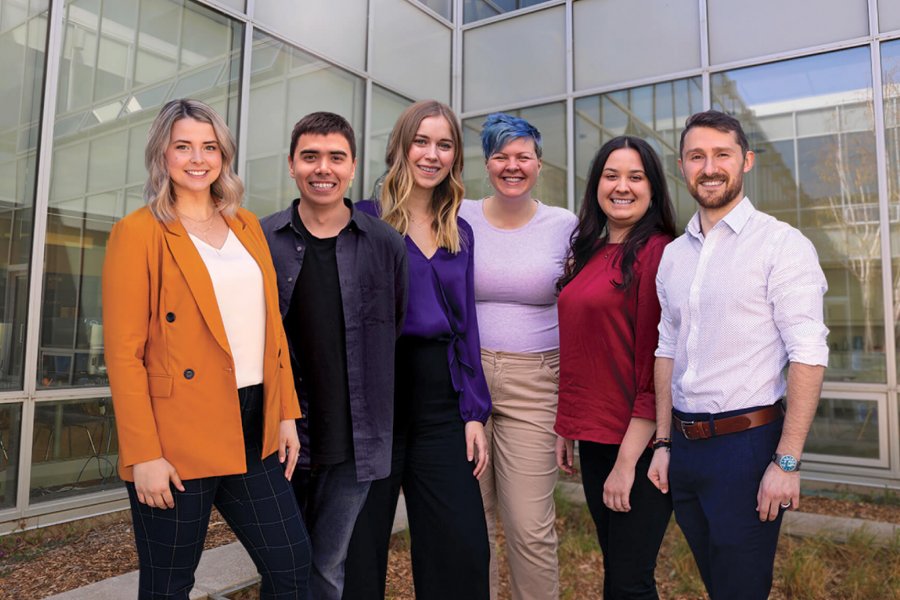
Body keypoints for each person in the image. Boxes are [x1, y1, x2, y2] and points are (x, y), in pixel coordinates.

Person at [102, 98, 311, 599]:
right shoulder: (138, 233)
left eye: (209, 147)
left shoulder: (247, 226)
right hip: (175, 437)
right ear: (162, 155)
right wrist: (144, 454)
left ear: (223, 155)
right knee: (170, 584)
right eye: (183, 147)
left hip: (253, 425)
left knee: (294, 567)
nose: (198, 159)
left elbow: (272, 330)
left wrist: (284, 414)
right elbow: (124, 354)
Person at [647, 110, 829, 599]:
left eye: (722, 154)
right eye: (696, 156)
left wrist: (786, 461)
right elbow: (667, 349)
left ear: (745, 160)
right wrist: (663, 444)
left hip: (748, 449)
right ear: (682, 166)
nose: (710, 167)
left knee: (741, 589)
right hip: (685, 448)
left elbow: (808, 354)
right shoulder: (674, 256)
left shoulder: (781, 245)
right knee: (715, 582)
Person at [343, 99, 491, 600]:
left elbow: (467, 326)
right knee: (359, 550)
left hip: (440, 405)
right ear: (401, 148)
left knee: (463, 548)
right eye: (421, 142)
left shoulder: (461, 231)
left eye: (444, 144)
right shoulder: (360, 222)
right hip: (373, 403)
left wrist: (474, 413)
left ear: (455, 156)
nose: (432, 154)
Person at [259, 111, 407, 600]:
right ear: (291, 164)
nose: (323, 168)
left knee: (327, 568)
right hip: (277, 435)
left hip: (353, 441)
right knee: (281, 568)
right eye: (310, 157)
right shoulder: (261, 240)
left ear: (352, 166)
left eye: (335, 157)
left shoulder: (384, 243)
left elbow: (397, 325)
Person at [457, 113, 576, 600]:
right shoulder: (459, 215)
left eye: (522, 156)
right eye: (501, 156)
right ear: (487, 164)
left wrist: (571, 407)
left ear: (538, 164)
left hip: (536, 382)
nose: (512, 165)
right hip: (466, 380)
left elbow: (578, 308)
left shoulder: (563, 225)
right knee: (471, 522)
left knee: (529, 527)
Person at [555, 136, 676, 599]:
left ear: (652, 188)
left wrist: (628, 462)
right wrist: (567, 426)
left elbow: (655, 361)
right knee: (619, 574)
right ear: (596, 185)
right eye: (611, 175)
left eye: (635, 176)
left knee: (629, 581)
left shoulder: (659, 253)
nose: (621, 186)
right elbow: (581, 350)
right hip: (596, 436)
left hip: (639, 443)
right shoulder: (589, 249)